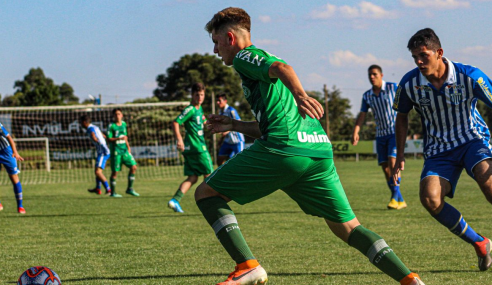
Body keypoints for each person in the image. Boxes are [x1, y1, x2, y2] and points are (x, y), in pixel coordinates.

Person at [194, 7, 425, 285]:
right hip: (316, 151)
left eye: (216, 43)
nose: (216, 51)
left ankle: (247, 265)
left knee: (206, 193)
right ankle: (409, 279)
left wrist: (302, 95)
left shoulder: (245, 56)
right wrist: (234, 125)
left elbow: (283, 68)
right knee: (349, 228)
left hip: (285, 151)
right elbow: (270, 123)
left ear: (230, 38)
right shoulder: (263, 73)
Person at [392, 28, 492, 271]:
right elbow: (401, 117)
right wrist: (400, 155)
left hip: (473, 140)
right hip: (438, 149)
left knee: (489, 184)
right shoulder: (409, 83)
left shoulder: (470, 76)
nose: (418, 61)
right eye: (415, 56)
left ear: (439, 53)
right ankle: (480, 244)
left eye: (423, 55)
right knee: (430, 199)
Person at [352, 65, 406, 210]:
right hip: (380, 135)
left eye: (375, 74)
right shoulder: (367, 95)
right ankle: (399, 198)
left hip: (395, 133)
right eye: (370, 74)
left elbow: (406, 100)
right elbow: (362, 115)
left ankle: (394, 198)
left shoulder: (392, 87)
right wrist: (356, 131)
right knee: (385, 168)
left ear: (381, 75)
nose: (372, 77)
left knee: (392, 161)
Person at [168, 83, 213, 213]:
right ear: (192, 95)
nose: (200, 97)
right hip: (198, 147)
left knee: (192, 177)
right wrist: (179, 139)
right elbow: (176, 122)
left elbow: (203, 122)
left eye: (202, 95)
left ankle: (175, 200)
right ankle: (209, 202)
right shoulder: (191, 109)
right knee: (209, 174)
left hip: (191, 149)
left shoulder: (199, 109)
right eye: (197, 95)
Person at [107, 108, 139, 198]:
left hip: (124, 150)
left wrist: (128, 146)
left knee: (133, 167)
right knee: (115, 172)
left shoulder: (124, 124)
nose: (117, 116)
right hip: (116, 152)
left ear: (122, 115)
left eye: (119, 114)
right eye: (116, 114)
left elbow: (125, 137)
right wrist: (118, 139)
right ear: (113, 116)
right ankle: (113, 192)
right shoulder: (111, 126)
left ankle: (130, 188)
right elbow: (108, 139)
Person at [80, 115, 111, 196]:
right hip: (104, 150)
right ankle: (98, 188)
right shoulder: (95, 126)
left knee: (98, 172)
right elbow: (103, 135)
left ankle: (108, 189)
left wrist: (95, 139)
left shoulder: (90, 128)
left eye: (81, 123)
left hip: (102, 152)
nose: (80, 125)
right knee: (97, 171)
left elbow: (93, 134)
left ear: (84, 122)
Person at [0, 122, 25, 214]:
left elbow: (9, 137)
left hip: (6, 152)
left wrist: (15, 152)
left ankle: (20, 206)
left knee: (14, 179)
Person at [216, 93, 245, 165]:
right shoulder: (220, 112)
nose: (217, 102)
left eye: (219, 101)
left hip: (237, 140)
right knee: (220, 159)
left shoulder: (231, 110)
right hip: (228, 141)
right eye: (217, 101)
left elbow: (239, 122)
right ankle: (224, 175)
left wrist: (227, 130)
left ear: (225, 101)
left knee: (240, 162)